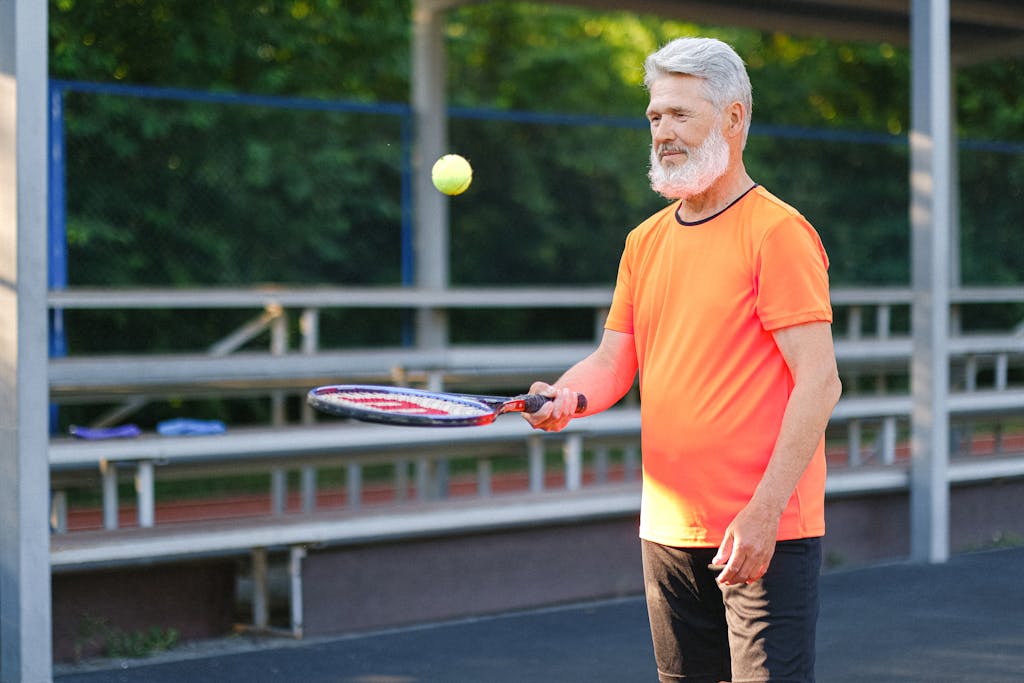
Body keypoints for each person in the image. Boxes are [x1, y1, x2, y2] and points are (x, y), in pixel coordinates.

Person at [524, 37, 842, 683]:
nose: (663, 132)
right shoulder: (644, 240)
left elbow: (820, 380)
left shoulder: (777, 232)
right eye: (655, 117)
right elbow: (616, 357)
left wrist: (764, 512)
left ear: (733, 117)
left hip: (762, 529)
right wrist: (566, 395)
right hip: (669, 526)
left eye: (680, 115)